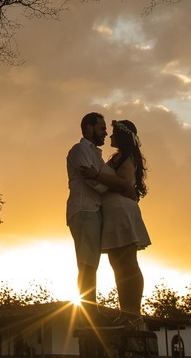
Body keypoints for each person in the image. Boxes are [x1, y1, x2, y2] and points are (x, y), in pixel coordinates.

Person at [80, 118, 150, 320]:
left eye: (112, 133)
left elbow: (123, 182)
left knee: (128, 263)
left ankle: (133, 313)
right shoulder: (117, 157)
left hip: (121, 210)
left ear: (121, 136)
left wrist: (96, 175)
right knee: (117, 266)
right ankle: (125, 312)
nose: (109, 136)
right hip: (112, 213)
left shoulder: (127, 158)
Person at [66, 112, 109, 303]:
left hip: (93, 210)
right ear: (89, 128)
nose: (105, 133)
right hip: (85, 210)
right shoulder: (79, 150)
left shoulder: (96, 155)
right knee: (87, 264)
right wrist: (112, 185)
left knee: (91, 263)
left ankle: (90, 308)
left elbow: (97, 177)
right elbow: (91, 181)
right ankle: (88, 310)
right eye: (102, 128)